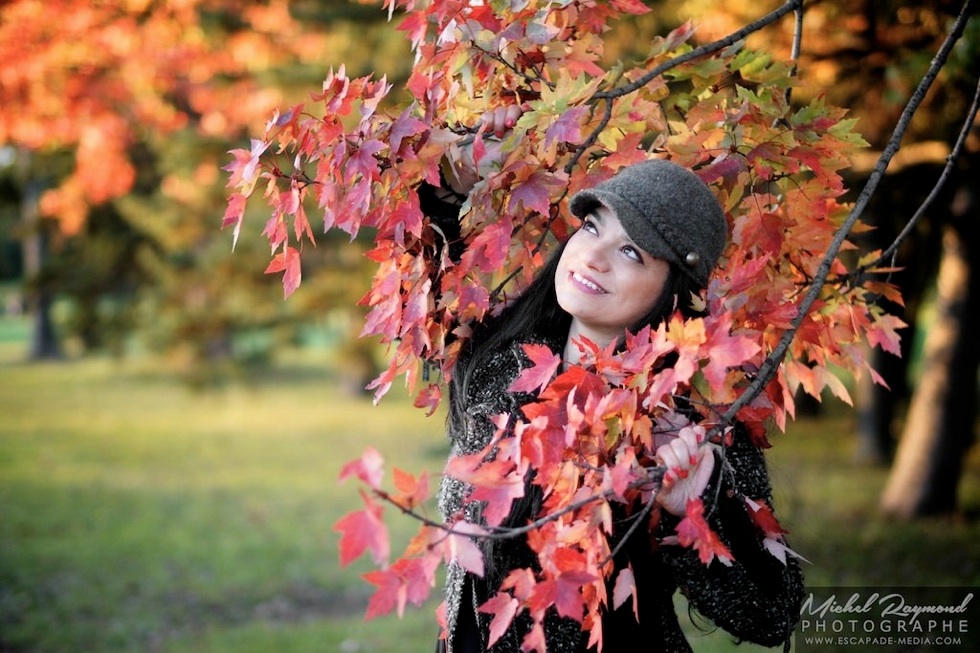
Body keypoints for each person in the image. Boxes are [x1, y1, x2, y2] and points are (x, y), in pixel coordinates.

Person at [427, 135, 803, 652]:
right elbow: (429, 303)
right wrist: (451, 189)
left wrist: (697, 507)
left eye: (631, 252)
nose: (593, 257)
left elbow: (771, 615)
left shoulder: (688, 426)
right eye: (591, 227)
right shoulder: (503, 361)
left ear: (672, 290)